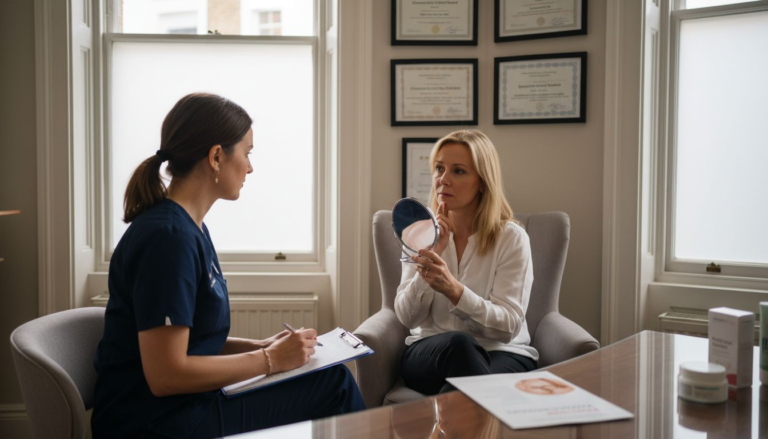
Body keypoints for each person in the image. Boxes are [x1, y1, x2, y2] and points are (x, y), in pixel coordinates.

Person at [92, 93, 365, 439]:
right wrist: (270, 361)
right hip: (155, 422)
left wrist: (263, 347)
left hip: (185, 406)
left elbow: (192, 341)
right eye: (247, 153)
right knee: (333, 383)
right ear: (217, 156)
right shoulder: (167, 238)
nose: (250, 167)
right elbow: (165, 376)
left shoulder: (190, 229)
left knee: (326, 375)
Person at [394, 129, 538, 396]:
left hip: (500, 352)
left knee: (462, 387)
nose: (443, 180)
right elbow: (406, 316)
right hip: (431, 353)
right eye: (439, 168)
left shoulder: (511, 238)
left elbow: (507, 327)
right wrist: (429, 259)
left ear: (483, 181)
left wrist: (455, 291)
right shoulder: (417, 234)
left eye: (458, 171)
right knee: (459, 346)